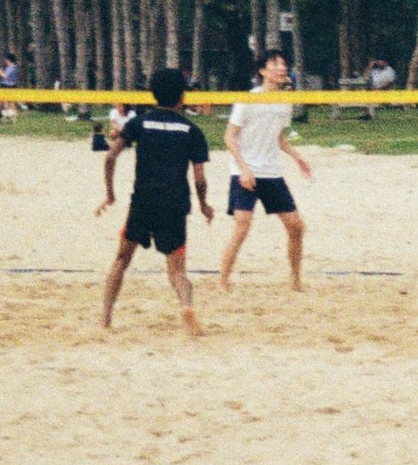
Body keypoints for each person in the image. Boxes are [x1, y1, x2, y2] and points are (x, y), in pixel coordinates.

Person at [98, 68, 216, 334]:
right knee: (177, 272)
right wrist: (204, 205)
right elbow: (199, 179)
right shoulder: (192, 130)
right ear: (182, 96)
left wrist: (110, 194)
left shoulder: (140, 123)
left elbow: (110, 157)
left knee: (121, 261)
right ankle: (186, 306)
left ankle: (105, 317)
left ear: (152, 94)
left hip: (143, 203)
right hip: (175, 205)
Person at [217, 48, 316, 291]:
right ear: (262, 71)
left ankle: (295, 280)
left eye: (283, 64)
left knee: (296, 226)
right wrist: (244, 170)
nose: (281, 68)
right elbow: (229, 137)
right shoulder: (249, 99)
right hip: (245, 172)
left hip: (271, 173)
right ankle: (222, 280)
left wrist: (297, 157)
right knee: (242, 224)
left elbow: (279, 138)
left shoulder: (285, 102)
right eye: (275, 64)